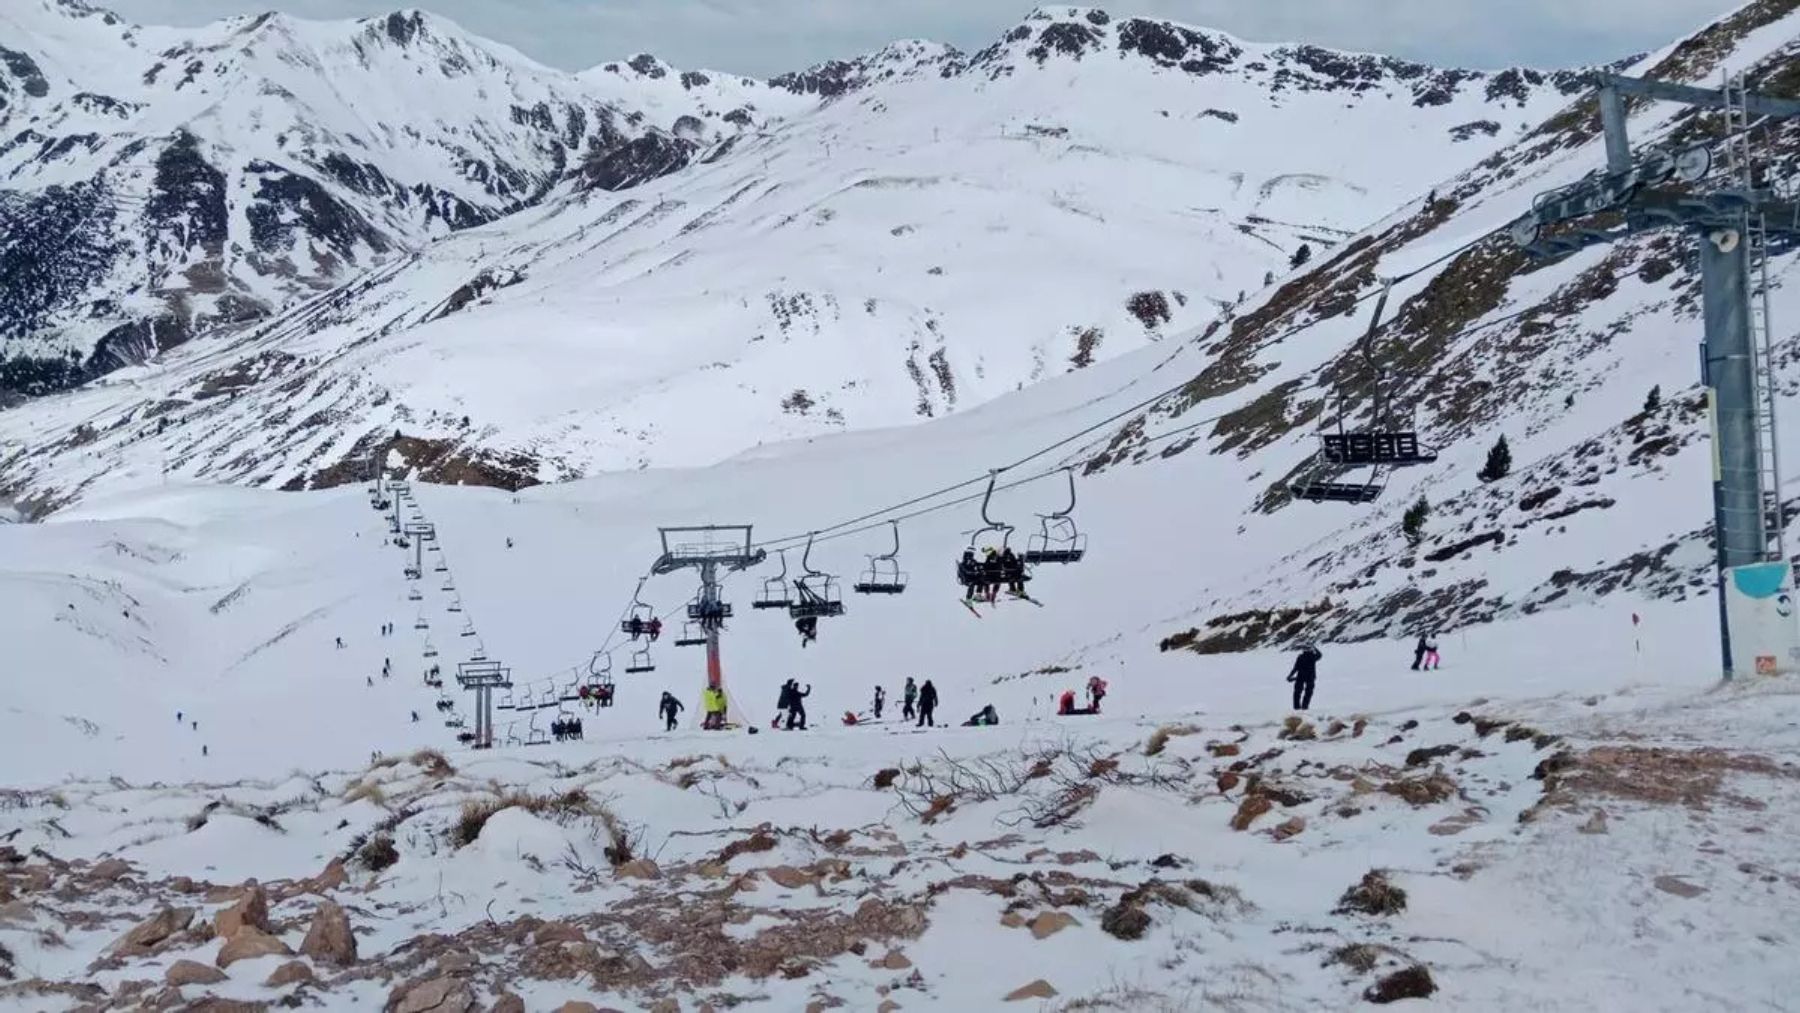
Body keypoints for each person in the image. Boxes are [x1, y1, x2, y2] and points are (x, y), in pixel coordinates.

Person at [1287, 643, 1322, 711]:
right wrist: (1314, 647)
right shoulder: (1312, 656)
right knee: (1308, 693)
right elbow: (1320, 655)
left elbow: (1295, 668)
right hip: (1309, 677)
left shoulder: (1301, 657)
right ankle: (1304, 707)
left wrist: (1290, 675)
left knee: (1297, 693)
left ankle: (1297, 708)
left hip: (1301, 676)